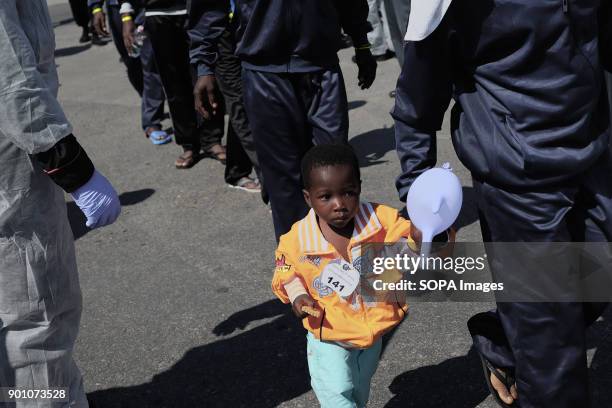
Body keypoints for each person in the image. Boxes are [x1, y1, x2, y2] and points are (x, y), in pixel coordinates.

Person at [392, 1, 612, 407]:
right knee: (552, 355)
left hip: (595, 151)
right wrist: (419, 191)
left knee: (595, 279)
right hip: (517, 174)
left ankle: (510, 339)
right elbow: (418, 95)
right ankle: (529, 340)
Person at [0, 1, 121, 405]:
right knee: (35, 320)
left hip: (18, 164)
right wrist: (76, 172)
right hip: (14, 176)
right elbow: (10, 79)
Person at [188, 0, 377, 240]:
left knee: (336, 168)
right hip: (264, 71)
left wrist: (361, 43)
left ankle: (342, 259)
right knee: (284, 182)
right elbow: (209, 8)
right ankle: (297, 265)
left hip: (321, 66)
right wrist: (204, 66)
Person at [271, 144, 421, 408]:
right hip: (329, 332)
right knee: (337, 391)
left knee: (360, 389)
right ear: (308, 198)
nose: (339, 205)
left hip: (374, 328)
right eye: (325, 197)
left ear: (359, 187)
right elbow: (286, 271)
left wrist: (421, 236)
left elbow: (411, 243)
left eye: (348, 193)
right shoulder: (297, 240)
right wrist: (298, 295)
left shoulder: (380, 219)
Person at [120, 0, 227, 168]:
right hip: (157, 14)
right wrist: (126, 15)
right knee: (173, 84)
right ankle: (188, 143)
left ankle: (212, 139)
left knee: (205, 75)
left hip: (196, 10)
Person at [190, 4, 262, 193]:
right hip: (224, 32)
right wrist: (204, 68)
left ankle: (238, 170)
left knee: (248, 106)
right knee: (241, 106)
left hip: (256, 30)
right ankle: (268, 179)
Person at [89, 0, 169, 144]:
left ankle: (151, 121)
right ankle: (150, 103)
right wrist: (96, 8)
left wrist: (127, 17)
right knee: (131, 62)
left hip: (142, 7)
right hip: (114, 8)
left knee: (150, 65)